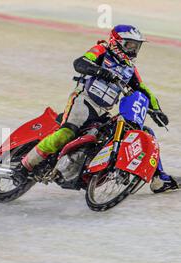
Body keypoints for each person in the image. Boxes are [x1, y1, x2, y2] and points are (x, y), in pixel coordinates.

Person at [15, 25, 178, 193]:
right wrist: (101, 71)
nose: (134, 49)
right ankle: (24, 166)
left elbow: (143, 89)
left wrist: (157, 109)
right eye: (130, 45)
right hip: (83, 101)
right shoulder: (102, 50)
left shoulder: (129, 69)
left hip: (102, 111)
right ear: (117, 42)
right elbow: (80, 63)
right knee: (67, 132)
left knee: (142, 132)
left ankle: (159, 178)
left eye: (137, 46)